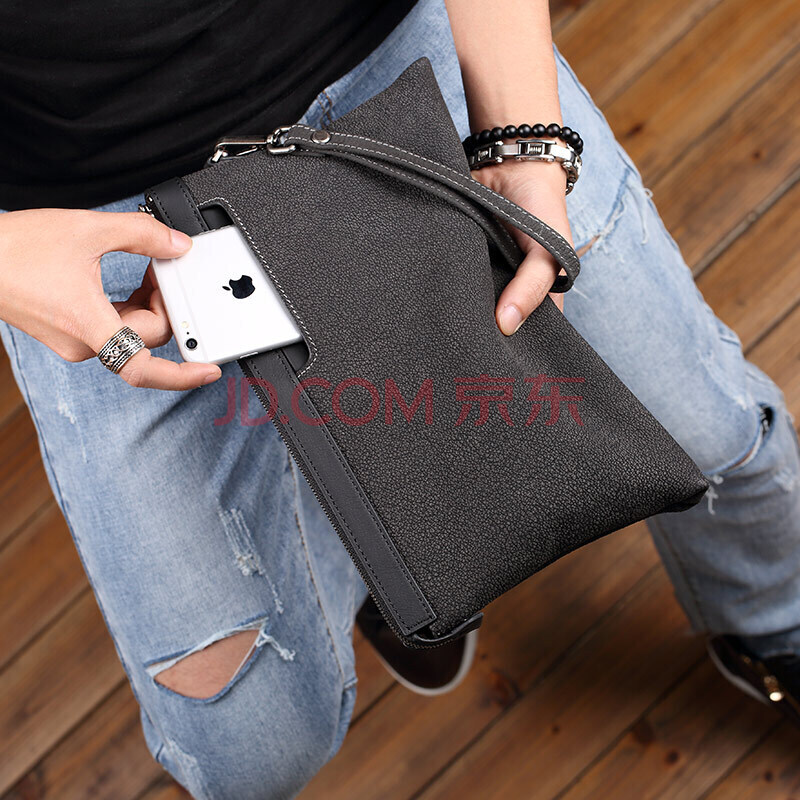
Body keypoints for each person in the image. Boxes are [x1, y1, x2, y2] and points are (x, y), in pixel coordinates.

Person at [1, 0, 798, 796]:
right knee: (251, 751)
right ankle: (393, 535)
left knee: (710, 434)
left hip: (394, 56)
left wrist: (522, 137)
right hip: (88, 213)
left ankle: (779, 623)